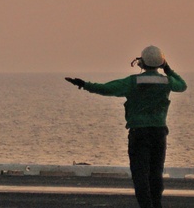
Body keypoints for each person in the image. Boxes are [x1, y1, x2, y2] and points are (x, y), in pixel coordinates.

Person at [65, 45, 187, 208]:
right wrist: (168, 69)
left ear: (141, 63)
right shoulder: (167, 82)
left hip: (139, 133)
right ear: (161, 63)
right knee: (156, 174)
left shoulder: (132, 82)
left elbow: (106, 89)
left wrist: (85, 84)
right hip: (159, 133)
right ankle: (156, 205)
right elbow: (182, 85)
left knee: (140, 174)